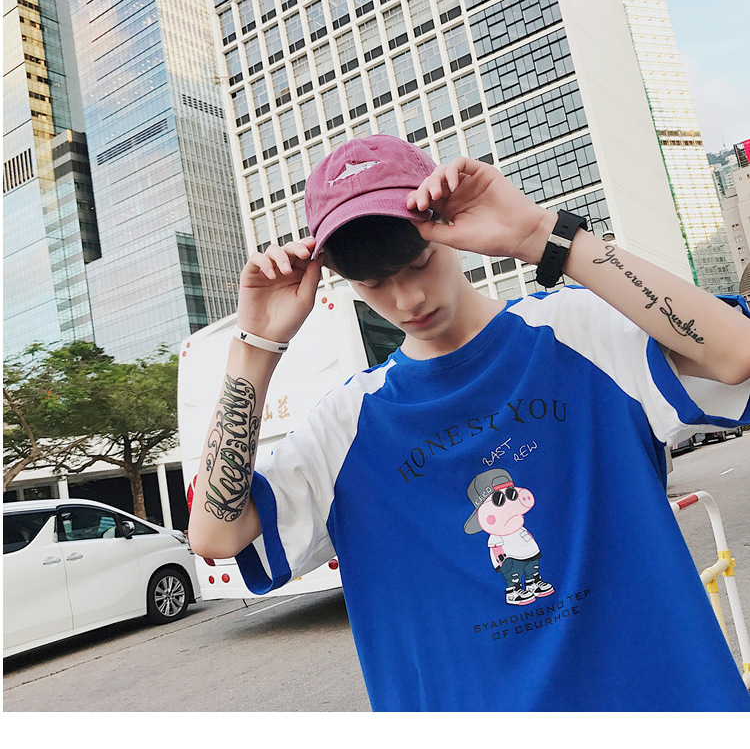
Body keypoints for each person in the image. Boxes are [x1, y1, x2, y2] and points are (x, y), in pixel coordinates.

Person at [188, 134, 750, 712]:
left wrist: (541, 234)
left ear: (446, 227)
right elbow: (214, 534)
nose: (407, 299)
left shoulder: (580, 332)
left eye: (419, 262)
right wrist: (254, 348)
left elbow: (737, 354)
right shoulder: (348, 425)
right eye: (374, 282)